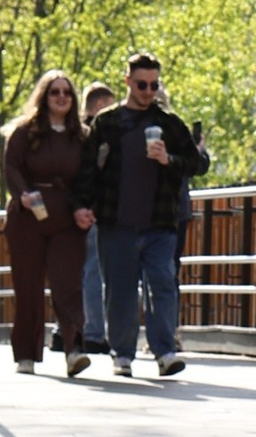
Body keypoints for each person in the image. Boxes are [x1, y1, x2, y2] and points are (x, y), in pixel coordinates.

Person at [74, 51, 208, 379]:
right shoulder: (107, 123)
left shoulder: (169, 124)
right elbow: (87, 169)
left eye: (153, 85)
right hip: (116, 222)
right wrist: (82, 206)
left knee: (163, 284)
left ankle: (165, 352)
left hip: (160, 222)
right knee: (119, 291)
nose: (148, 91)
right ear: (128, 82)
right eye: (141, 84)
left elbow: (197, 163)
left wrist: (168, 160)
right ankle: (122, 354)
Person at [0, 71, 94, 377]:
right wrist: (22, 193)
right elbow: (11, 167)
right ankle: (25, 354)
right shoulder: (24, 132)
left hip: (66, 218)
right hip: (28, 217)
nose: (61, 97)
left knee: (68, 285)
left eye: (67, 92)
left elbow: (88, 177)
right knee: (28, 286)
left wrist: (83, 208)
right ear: (44, 96)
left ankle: (74, 349)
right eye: (55, 92)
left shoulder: (82, 136)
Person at [76, 81, 118, 360]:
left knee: (78, 271)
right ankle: (94, 332)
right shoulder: (98, 134)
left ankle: (67, 330)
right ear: (101, 105)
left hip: (78, 208)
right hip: (95, 209)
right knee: (94, 272)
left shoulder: (74, 132)